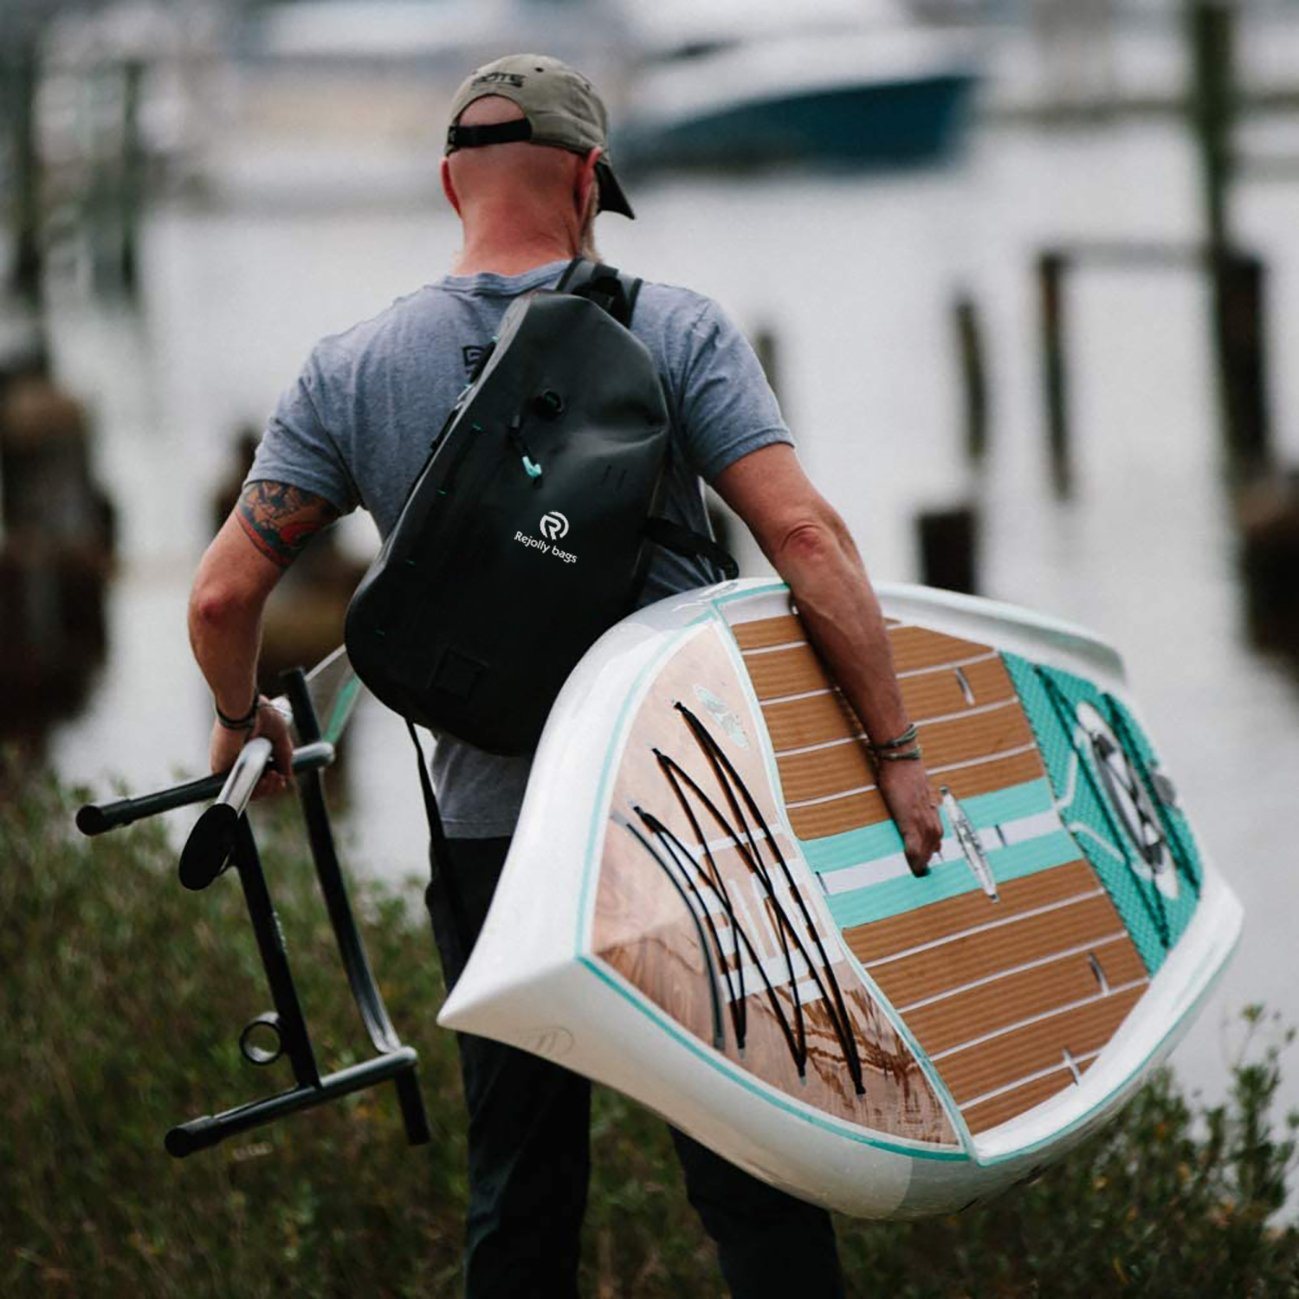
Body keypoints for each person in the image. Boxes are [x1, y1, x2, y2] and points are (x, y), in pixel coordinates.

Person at [188, 52, 943, 1299]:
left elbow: (223, 594)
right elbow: (808, 543)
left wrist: (238, 720)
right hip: (690, 829)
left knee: (522, 1189)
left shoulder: (351, 368)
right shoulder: (674, 327)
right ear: (589, 180)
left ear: (449, 185)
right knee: (753, 1177)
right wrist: (898, 753)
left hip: (501, 853)